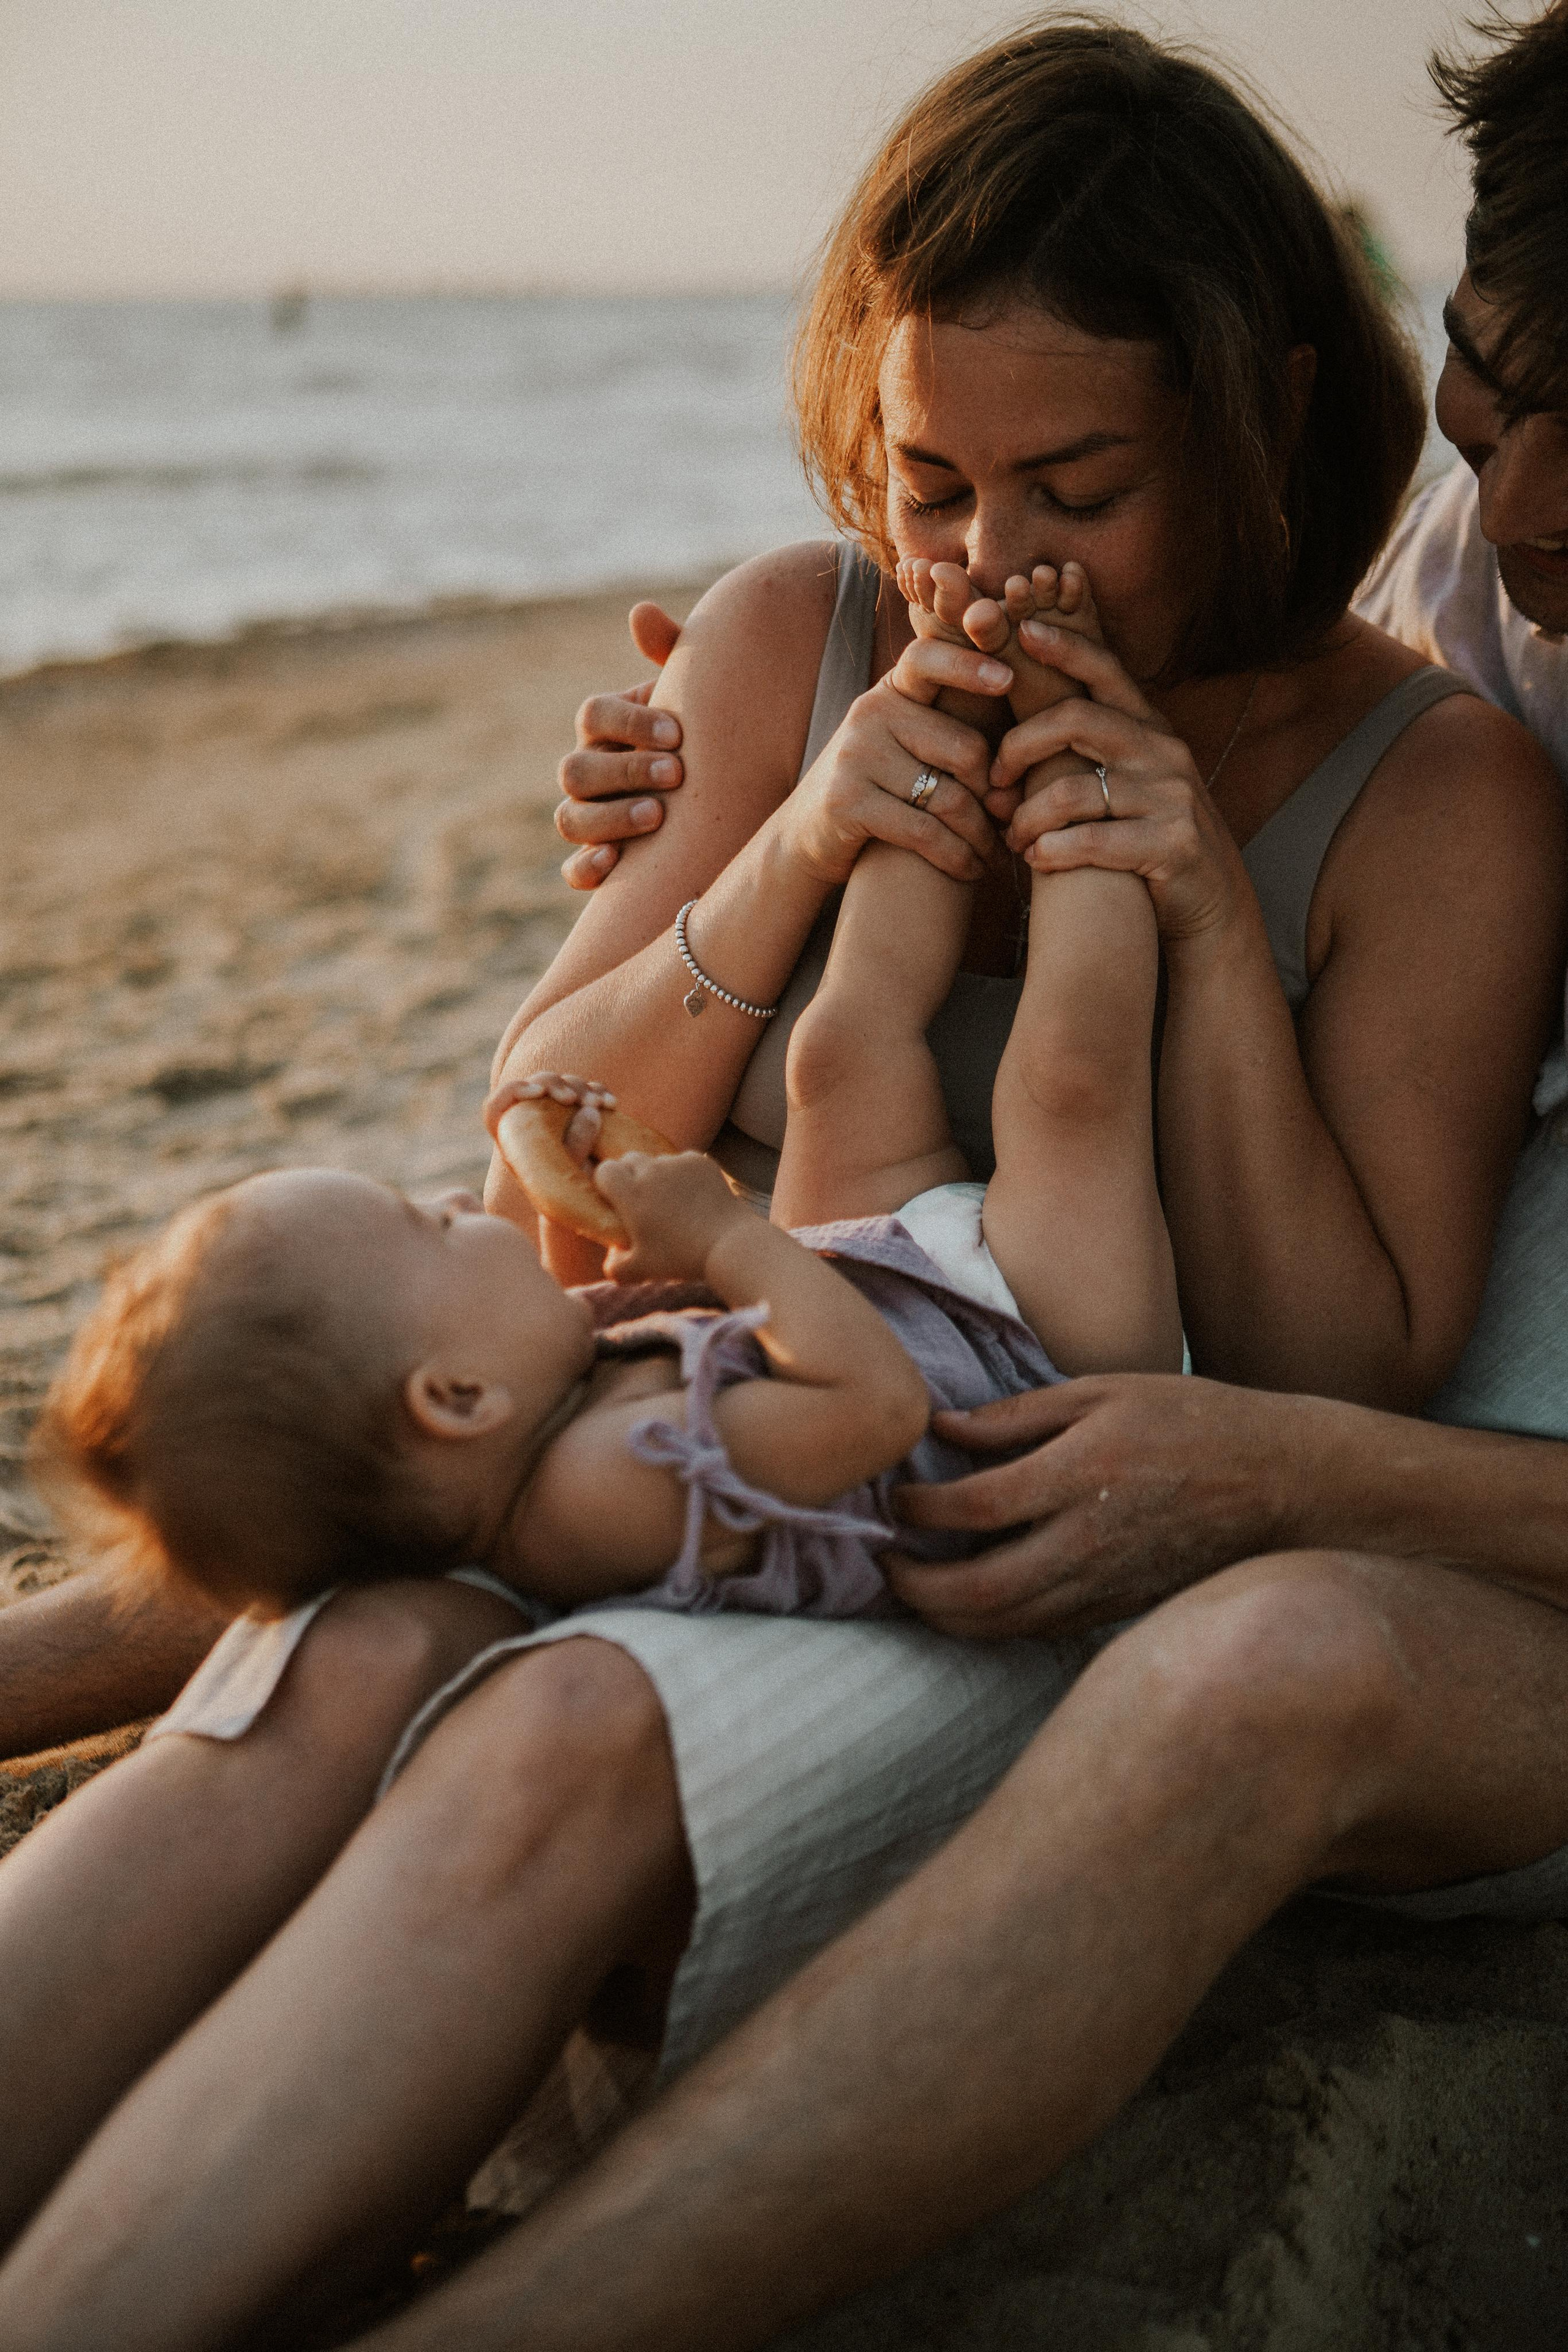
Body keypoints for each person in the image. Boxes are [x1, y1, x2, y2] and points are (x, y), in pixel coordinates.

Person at [0, 18, 1565, 2350]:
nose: (985, 565)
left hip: (988, 1504)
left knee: (520, 1709)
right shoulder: (793, 634)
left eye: (1081, 492)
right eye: (932, 478)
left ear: (1247, 450)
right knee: (347, 1650)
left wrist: (1210, 933)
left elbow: (1351, 1364)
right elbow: (536, 1152)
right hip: (696, 1404)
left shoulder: (1437, 794)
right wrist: (805, 837)